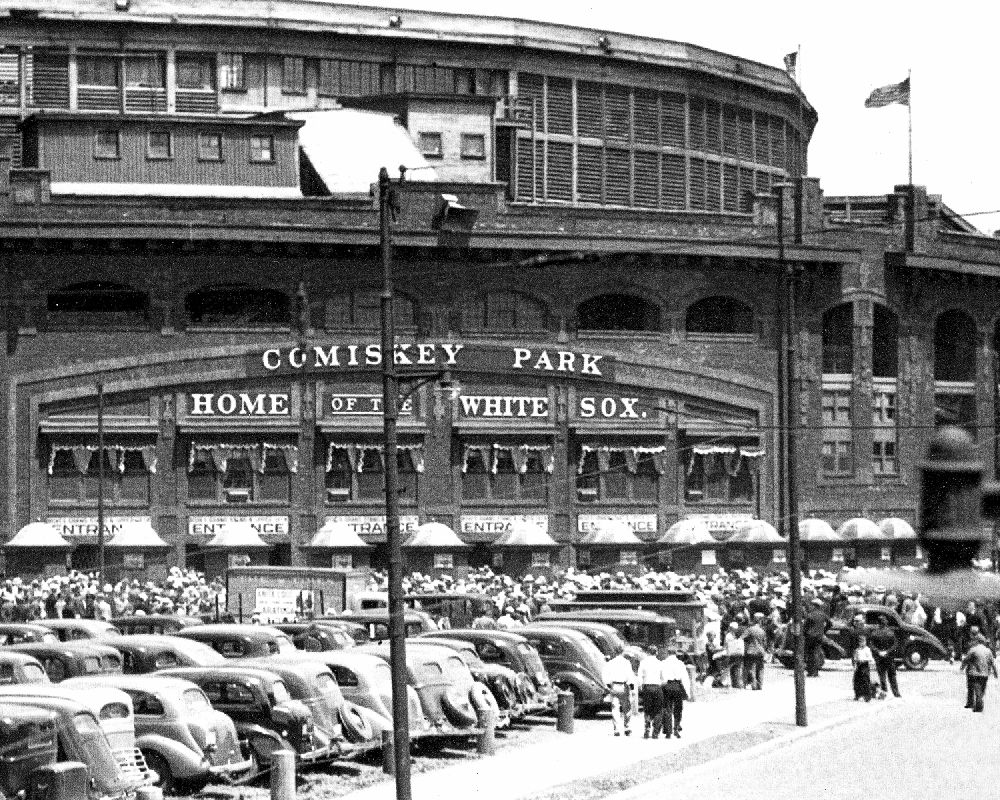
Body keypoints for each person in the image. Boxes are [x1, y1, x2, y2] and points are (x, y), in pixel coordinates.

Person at [658, 643, 691, 739]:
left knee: (667, 707)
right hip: (677, 686)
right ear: (676, 654)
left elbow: (661, 677)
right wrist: (687, 692)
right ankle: (676, 728)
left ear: (668, 653)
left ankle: (668, 731)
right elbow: (684, 678)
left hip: (667, 685)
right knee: (678, 708)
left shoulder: (663, 663)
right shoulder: (680, 664)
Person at [601, 650, 636, 736]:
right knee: (627, 707)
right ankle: (627, 727)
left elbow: (604, 674)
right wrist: (632, 687)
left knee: (615, 708)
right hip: (623, 686)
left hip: (614, 686)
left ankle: (616, 729)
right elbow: (629, 675)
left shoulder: (611, 662)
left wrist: (607, 684)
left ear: (614, 653)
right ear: (622, 653)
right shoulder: (626, 662)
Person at [962, 633, 999, 712]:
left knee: (973, 688)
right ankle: (975, 703)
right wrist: (995, 673)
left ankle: (978, 706)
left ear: (977, 641)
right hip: (985, 674)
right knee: (981, 690)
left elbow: (966, 660)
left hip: (973, 673)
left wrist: (962, 667)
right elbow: (992, 663)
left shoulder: (973, 649)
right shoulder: (988, 651)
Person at [870, 615, 901, 698]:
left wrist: (879, 652)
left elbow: (872, 645)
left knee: (882, 676)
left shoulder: (874, 633)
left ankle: (884, 693)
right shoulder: (890, 632)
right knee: (892, 676)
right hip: (889, 657)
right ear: (886, 622)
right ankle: (896, 693)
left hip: (879, 658)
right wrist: (887, 651)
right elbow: (895, 644)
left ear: (878, 623)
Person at [637, 645, 664, 738]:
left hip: (647, 687)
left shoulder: (643, 663)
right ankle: (655, 732)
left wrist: (640, 686)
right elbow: (663, 678)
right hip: (657, 687)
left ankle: (647, 727)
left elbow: (639, 676)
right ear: (656, 652)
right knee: (658, 709)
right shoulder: (660, 663)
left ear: (648, 652)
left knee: (647, 709)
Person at [803, 597, 831, 677]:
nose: (810, 606)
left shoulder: (810, 615)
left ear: (815, 606)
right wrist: (824, 630)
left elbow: (805, 627)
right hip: (819, 636)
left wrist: (804, 634)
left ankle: (810, 671)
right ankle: (815, 671)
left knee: (809, 654)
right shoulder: (823, 615)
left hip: (810, 636)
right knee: (816, 653)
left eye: (812, 605)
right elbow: (830, 623)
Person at [743, 613, 767, 691]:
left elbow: (742, 637)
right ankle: (760, 685)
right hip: (760, 651)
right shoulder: (762, 631)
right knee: (760, 668)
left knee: (750, 667)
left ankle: (754, 684)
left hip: (751, 651)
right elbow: (765, 643)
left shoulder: (750, 629)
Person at [852, 634, 875, 701]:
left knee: (865, 680)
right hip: (859, 665)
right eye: (860, 642)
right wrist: (855, 664)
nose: (861, 643)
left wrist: (865, 660)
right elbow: (855, 658)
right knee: (857, 680)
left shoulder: (867, 649)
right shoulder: (857, 650)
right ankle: (858, 695)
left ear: (865, 642)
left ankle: (867, 695)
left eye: (863, 642)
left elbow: (870, 658)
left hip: (864, 665)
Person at [724, 621, 745, 689]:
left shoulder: (728, 635)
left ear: (731, 628)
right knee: (738, 668)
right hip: (739, 654)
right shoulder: (739, 635)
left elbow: (726, 645)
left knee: (730, 668)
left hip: (731, 654)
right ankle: (738, 684)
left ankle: (730, 683)